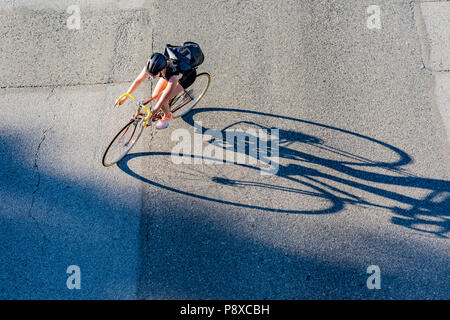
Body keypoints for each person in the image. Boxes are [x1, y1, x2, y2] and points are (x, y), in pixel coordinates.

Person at [117, 52, 197, 129]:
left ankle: (168, 117)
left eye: (154, 74)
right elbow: (139, 80)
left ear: (162, 70)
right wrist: (125, 96)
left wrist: (150, 116)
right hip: (168, 74)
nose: (151, 77)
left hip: (187, 77)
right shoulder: (152, 66)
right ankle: (166, 106)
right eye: (150, 74)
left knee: (161, 99)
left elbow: (162, 99)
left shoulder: (173, 77)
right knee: (155, 95)